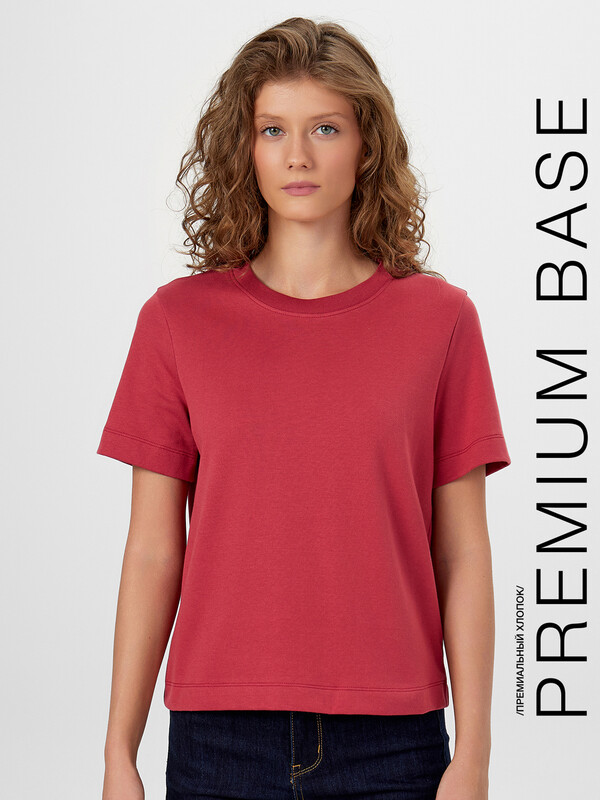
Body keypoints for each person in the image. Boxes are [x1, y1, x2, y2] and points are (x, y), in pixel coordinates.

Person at [98, 16, 511, 800]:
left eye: (325, 127)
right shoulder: (177, 322)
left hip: (395, 742)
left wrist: (476, 756)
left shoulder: (442, 322)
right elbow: (152, 552)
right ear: (244, 148)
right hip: (219, 741)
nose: (297, 155)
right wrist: (120, 751)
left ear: (366, 144)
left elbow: (463, 553)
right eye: (272, 130)